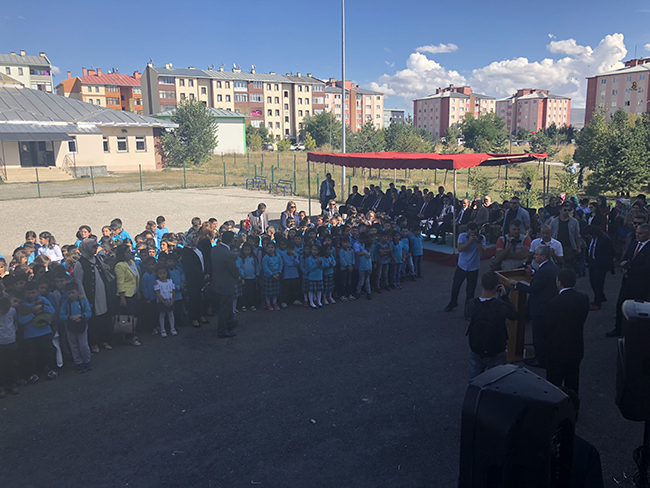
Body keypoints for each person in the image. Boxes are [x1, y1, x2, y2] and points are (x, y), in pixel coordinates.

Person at [507, 245, 558, 368]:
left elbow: (533, 289)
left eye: (536, 255)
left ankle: (541, 359)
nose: (534, 257)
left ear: (543, 256)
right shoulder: (550, 266)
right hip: (546, 304)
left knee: (538, 334)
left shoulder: (545, 271)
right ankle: (543, 356)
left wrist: (517, 284)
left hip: (540, 307)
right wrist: (533, 272)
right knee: (542, 334)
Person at [542, 269, 590, 394]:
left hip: (556, 349)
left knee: (554, 383)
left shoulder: (555, 303)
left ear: (559, 282)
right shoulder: (584, 298)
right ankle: (573, 403)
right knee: (573, 380)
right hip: (576, 346)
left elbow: (547, 326)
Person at [465, 272, 519, 381]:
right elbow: (515, 315)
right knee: (497, 381)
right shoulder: (501, 307)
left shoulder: (473, 303)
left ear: (481, 284)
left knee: (474, 380)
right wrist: (505, 297)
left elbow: (468, 314)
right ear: (497, 287)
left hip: (476, 348)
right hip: (496, 349)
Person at [607, 223, 650, 337]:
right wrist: (623, 262)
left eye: (641, 233)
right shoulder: (634, 242)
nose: (637, 235)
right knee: (621, 305)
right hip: (627, 281)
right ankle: (618, 328)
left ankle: (635, 334)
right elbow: (627, 256)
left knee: (637, 309)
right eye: (637, 232)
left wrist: (629, 270)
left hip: (641, 284)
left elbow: (646, 268)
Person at [74, 238, 113, 353]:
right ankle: (94, 342)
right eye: (93, 246)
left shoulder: (97, 259)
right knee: (93, 319)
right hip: (91, 294)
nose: (96, 248)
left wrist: (107, 267)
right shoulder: (80, 263)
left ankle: (104, 340)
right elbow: (79, 282)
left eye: (96, 246)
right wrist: (84, 297)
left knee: (103, 316)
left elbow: (105, 269)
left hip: (102, 293)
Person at [445, 223, 486, 313]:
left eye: (475, 233)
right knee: (456, 286)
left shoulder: (481, 238)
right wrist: (470, 241)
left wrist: (478, 242)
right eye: (471, 233)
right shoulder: (462, 236)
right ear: (467, 232)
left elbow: (482, 252)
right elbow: (460, 249)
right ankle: (453, 302)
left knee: (470, 291)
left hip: (474, 268)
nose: (473, 235)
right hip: (462, 266)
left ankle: (468, 310)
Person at [59, 282, 93, 373]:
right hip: (70, 327)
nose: (71, 295)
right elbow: (61, 315)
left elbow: (89, 313)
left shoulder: (83, 301)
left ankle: (87, 361)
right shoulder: (65, 303)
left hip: (82, 326)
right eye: (69, 293)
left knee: (83, 345)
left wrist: (81, 316)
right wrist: (69, 318)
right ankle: (79, 363)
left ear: (78, 291)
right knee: (73, 346)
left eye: (73, 292)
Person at [211, 231, 239, 338]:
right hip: (226, 283)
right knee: (225, 307)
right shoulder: (228, 254)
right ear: (231, 240)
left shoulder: (214, 249)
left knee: (225, 305)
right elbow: (233, 269)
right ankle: (222, 330)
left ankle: (230, 322)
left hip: (217, 281)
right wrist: (238, 277)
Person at [582, 225, 615, 311]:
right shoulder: (594, 238)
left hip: (600, 264)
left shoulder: (604, 239)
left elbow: (610, 252)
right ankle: (600, 297)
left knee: (598, 283)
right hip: (593, 262)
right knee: (593, 281)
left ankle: (597, 302)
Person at [114, 244, 141, 346]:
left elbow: (136, 278)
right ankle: (130, 337)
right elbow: (120, 282)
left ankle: (130, 333)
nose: (130, 253)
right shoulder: (120, 266)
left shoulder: (132, 263)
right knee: (128, 316)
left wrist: (138, 291)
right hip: (126, 295)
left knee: (133, 315)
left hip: (133, 292)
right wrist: (122, 297)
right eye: (127, 252)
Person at [549, 203, 582, 270]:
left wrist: (578, 248)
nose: (567, 212)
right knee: (557, 265)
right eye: (565, 210)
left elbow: (577, 235)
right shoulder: (554, 222)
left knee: (568, 265)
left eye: (568, 210)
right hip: (557, 246)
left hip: (569, 246)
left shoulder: (574, 222)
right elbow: (550, 233)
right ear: (560, 211)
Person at [0, 296, 19, 396]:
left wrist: (14, 332)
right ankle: (2, 385)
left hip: (11, 341)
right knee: (1, 365)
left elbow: (15, 322)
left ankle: (13, 383)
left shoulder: (12, 311)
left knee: (11, 363)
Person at [154, 265, 176, 337]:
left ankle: (172, 328)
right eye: (160, 273)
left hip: (170, 300)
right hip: (162, 302)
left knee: (171, 314)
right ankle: (163, 329)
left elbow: (173, 291)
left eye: (164, 273)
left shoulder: (170, 281)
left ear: (167, 273)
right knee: (162, 315)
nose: (162, 275)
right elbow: (157, 293)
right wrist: (163, 301)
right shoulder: (157, 282)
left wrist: (172, 300)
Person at [262, 241, 283, 311]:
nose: (270, 249)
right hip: (269, 277)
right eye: (269, 247)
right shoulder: (265, 258)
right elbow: (265, 267)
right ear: (266, 249)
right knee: (268, 292)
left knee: (275, 291)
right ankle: (268, 303)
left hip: (277, 275)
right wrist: (271, 274)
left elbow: (281, 264)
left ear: (275, 248)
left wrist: (279, 272)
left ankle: (274, 303)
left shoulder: (278, 256)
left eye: (272, 247)